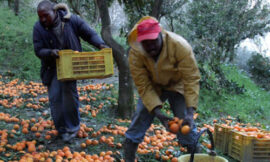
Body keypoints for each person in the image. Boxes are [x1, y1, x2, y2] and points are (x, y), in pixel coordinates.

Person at [124, 16, 201, 161]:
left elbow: (191, 78)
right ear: (140, 43)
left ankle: (194, 153)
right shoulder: (136, 53)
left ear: (161, 35)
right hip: (153, 86)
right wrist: (158, 113)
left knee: (185, 123)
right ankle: (128, 155)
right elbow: (143, 85)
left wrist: (190, 113)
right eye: (146, 43)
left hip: (177, 84)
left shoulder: (179, 46)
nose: (150, 46)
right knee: (140, 116)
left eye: (153, 41)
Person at [33, 0, 108, 142]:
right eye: (40, 16)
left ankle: (73, 128)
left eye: (45, 16)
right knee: (55, 98)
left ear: (54, 12)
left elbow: (89, 34)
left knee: (69, 96)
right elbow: (38, 50)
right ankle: (62, 130)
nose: (43, 19)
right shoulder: (38, 28)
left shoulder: (71, 20)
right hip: (52, 67)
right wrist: (50, 52)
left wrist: (100, 44)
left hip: (70, 65)